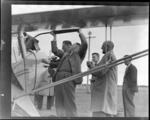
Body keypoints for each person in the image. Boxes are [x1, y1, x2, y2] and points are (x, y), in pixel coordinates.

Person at [50, 29, 87, 117]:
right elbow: (55, 50)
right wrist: (54, 36)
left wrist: (80, 32)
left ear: (76, 47)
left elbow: (84, 43)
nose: (68, 48)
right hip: (59, 78)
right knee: (59, 102)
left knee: (69, 102)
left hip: (68, 78)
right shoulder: (65, 55)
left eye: (73, 45)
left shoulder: (78, 54)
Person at [88, 40, 118, 117]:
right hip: (107, 89)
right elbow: (102, 68)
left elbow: (101, 71)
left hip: (104, 89)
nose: (101, 47)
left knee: (100, 112)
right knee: (107, 111)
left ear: (107, 47)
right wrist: (94, 66)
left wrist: (91, 67)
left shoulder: (108, 55)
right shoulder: (111, 55)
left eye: (103, 46)